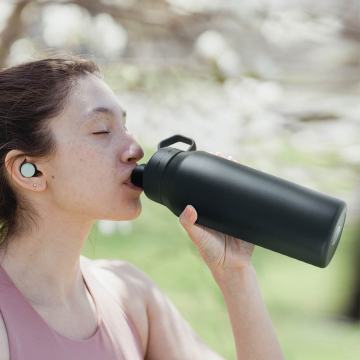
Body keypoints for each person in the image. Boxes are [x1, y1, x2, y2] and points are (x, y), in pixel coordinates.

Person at [0, 55, 284, 360]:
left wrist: (236, 274)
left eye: (125, 127)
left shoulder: (130, 296)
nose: (135, 149)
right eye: (102, 130)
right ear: (29, 169)